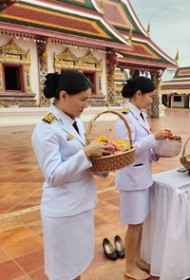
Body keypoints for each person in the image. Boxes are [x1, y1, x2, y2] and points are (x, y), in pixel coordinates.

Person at [31, 71, 113, 280]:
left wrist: (102, 160)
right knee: (63, 271)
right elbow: (53, 175)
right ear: (64, 95)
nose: (85, 105)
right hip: (63, 210)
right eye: (83, 100)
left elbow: (83, 161)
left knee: (76, 265)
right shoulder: (46, 129)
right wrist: (85, 153)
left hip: (81, 204)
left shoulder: (75, 121)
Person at [115, 76, 171, 279]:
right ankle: (129, 266)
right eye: (150, 97)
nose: (151, 101)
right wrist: (154, 137)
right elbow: (125, 149)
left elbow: (144, 145)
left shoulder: (139, 115)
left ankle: (136, 258)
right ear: (138, 94)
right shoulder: (124, 117)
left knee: (140, 222)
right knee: (134, 223)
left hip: (142, 175)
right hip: (131, 178)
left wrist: (157, 149)